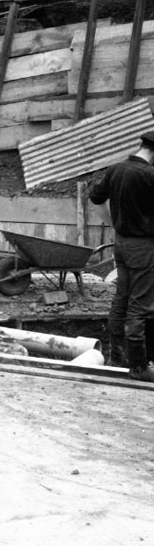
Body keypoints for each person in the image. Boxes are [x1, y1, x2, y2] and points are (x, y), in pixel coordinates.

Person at [88, 130, 154, 381]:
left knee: (121, 299)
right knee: (141, 306)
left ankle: (118, 356)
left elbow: (95, 197)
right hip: (144, 248)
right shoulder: (149, 176)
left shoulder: (116, 169)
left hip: (122, 244)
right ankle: (139, 367)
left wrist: (114, 222)